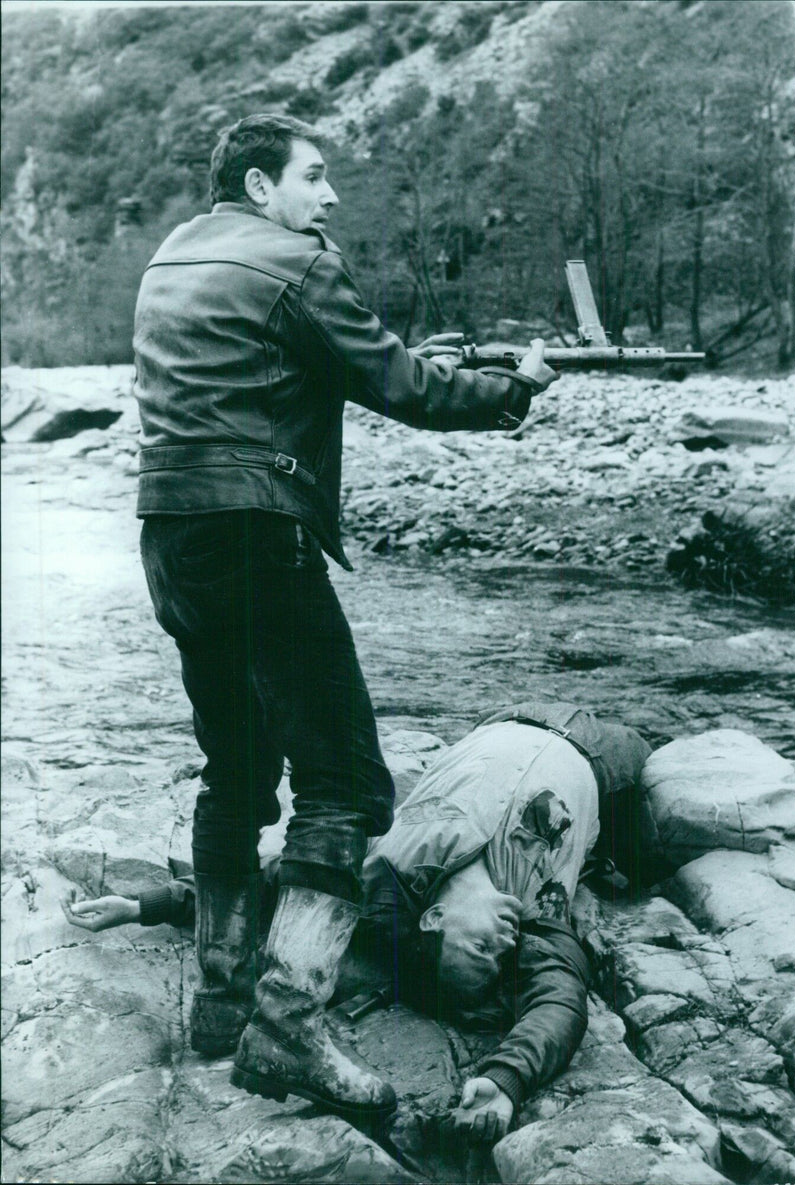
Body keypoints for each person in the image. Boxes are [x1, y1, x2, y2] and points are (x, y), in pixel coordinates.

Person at [131, 112, 560, 1124]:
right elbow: (396, 385)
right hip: (257, 540)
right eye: (313, 177)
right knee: (348, 786)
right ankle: (288, 1024)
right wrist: (513, 387)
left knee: (234, 764)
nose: (328, 199)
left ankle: (222, 1006)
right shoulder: (295, 255)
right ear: (258, 180)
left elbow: (270, 369)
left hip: (171, 537)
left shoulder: (172, 256)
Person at [65, 698, 651, 1143]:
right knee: (657, 802)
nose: (504, 943)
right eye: (496, 955)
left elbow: (276, 885)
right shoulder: (539, 906)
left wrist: (148, 905)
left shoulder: (384, 867)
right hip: (600, 757)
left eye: (479, 951)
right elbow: (559, 1002)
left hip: (501, 720)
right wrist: (507, 1078)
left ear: (436, 918)